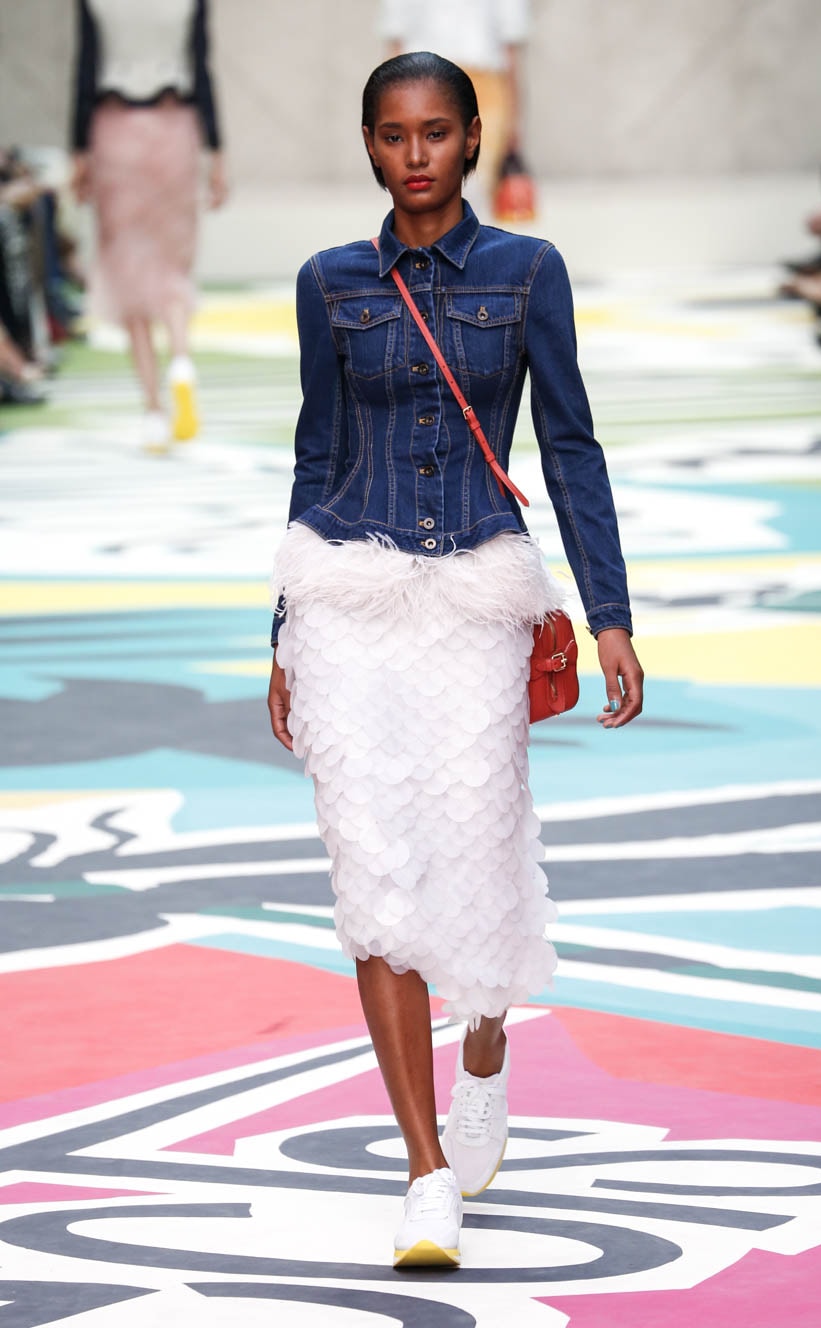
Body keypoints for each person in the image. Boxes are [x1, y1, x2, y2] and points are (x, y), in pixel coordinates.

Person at [267, 51, 643, 1269]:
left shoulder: (528, 272)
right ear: (369, 145)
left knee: (478, 847)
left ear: (473, 138)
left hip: (478, 595)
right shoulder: (330, 283)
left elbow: (570, 445)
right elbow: (315, 455)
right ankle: (425, 1170)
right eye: (393, 134)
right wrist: (283, 630)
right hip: (348, 596)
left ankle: (485, 1045)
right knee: (373, 872)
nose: (415, 154)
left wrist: (608, 611)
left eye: (436, 131)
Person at [69, 0, 228, 451]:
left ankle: (154, 410)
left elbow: (86, 66)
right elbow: (201, 67)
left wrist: (78, 150)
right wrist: (217, 152)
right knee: (172, 264)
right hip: (175, 128)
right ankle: (181, 359)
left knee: (127, 267)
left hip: (114, 130)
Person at [378, 0, 530, 208]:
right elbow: (510, 46)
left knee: (455, 185)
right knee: (464, 186)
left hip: (445, 80)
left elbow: (396, 38)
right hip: (448, 80)